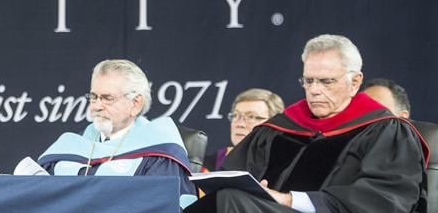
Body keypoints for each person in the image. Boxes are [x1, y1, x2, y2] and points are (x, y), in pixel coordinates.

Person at [186, 34, 429, 213]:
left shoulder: (386, 130)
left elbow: (384, 200)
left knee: (230, 203)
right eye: (308, 80)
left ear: (355, 81)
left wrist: (291, 199)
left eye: (326, 81)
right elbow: (237, 175)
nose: (314, 90)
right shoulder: (279, 128)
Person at [37, 59, 197, 208]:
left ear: (135, 104)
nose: (96, 106)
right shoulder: (71, 146)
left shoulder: (159, 154)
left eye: (107, 98)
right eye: (93, 97)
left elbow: (161, 206)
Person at [206, 89, 285, 170]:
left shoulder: (284, 168)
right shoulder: (205, 168)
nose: (240, 124)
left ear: (274, 124)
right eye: (236, 115)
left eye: (251, 117)